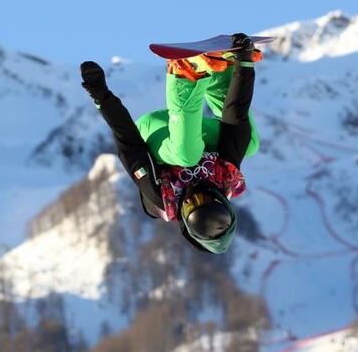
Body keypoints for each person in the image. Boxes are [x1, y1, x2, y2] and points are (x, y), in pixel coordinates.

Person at [80, 33, 261, 254]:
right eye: (206, 198)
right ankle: (220, 71)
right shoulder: (225, 175)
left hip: (154, 132)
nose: (197, 194)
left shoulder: (161, 192)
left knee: (187, 155)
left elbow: (129, 142)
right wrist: (244, 62)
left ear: (184, 215)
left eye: (192, 204)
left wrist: (101, 96)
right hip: (189, 129)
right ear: (222, 200)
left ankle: (184, 74)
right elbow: (236, 117)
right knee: (248, 143)